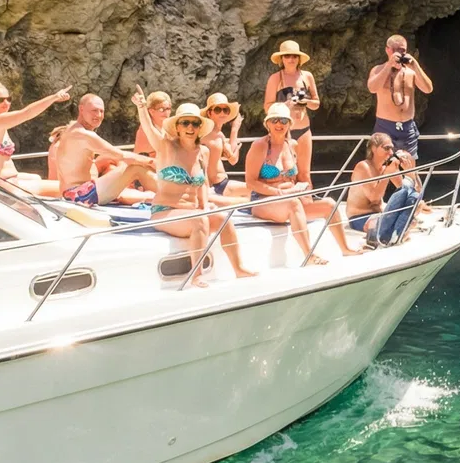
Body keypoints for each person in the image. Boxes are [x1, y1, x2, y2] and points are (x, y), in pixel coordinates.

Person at [149, 103, 255, 285]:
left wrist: (204, 205)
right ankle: (196, 275)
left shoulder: (203, 152)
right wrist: (142, 109)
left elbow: (202, 184)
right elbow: (150, 130)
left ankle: (239, 268)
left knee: (224, 219)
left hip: (190, 212)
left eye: (195, 123)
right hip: (164, 211)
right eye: (185, 123)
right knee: (200, 219)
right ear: (177, 127)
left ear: (199, 128)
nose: (190, 127)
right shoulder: (167, 147)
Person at [244, 104, 360, 264]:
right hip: (263, 201)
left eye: (284, 120)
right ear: (267, 124)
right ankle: (309, 255)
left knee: (330, 204)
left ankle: (345, 249)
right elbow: (250, 182)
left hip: (290, 198)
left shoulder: (292, 146)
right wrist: (278, 192)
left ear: (289, 124)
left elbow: (299, 178)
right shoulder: (260, 146)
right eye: (274, 120)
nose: (279, 124)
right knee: (293, 204)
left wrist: (304, 190)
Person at [49, 95, 155, 207]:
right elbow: (121, 155)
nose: (99, 115)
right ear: (81, 109)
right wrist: (154, 162)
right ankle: (171, 195)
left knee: (135, 166)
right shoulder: (83, 135)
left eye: (101, 111)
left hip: (73, 194)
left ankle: (168, 193)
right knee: (135, 168)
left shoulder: (71, 129)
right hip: (79, 195)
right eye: (94, 110)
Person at [0, 78, 69, 195]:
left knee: (36, 178)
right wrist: (54, 97)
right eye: (0, 100)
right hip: (5, 186)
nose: (6, 103)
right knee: (65, 188)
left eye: (9, 99)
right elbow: (26, 113)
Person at [347, 132, 423, 247]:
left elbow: (409, 191)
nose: (391, 152)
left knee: (418, 203)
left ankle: (395, 232)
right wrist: (387, 174)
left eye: (392, 149)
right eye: (386, 148)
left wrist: (410, 171)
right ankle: (397, 232)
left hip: (381, 215)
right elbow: (374, 197)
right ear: (374, 148)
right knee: (409, 221)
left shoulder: (386, 168)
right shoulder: (363, 167)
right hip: (359, 218)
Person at [264, 39, 322, 186]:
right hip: (282, 131)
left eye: (294, 56)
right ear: (282, 59)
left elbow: (316, 103)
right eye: (287, 56)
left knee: (305, 174)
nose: (291, 59)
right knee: (287, 174)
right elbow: (267, 106)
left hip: (304, 130)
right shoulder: (275, 78)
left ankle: (308, 204)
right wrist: (286, 105)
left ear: (299, 59)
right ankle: (289, 206)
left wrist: (305, 101)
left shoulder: (307, 76)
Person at [366, 34, 433, 159]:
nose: (399, 54)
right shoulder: (378, 70)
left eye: (402, 50)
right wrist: (389, 65)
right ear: (388, 50)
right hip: (385, 126)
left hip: (408, 127)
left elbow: (428, 89)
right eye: (396, 50)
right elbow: (372, 88)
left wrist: (415, 66)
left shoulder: (410, 72)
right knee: (383, 165)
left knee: (409, 166)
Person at [200, 92, 249, 201]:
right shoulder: (204, 134)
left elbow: (233, 160)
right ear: (209, 113)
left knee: (257, 190)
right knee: (255, 191)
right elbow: (199, 163)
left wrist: (235, 129)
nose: (222, 113)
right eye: (218, 110)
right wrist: (206, 189)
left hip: (222, 183)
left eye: (225, 110)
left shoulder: (220, 135)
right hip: (217, 186)